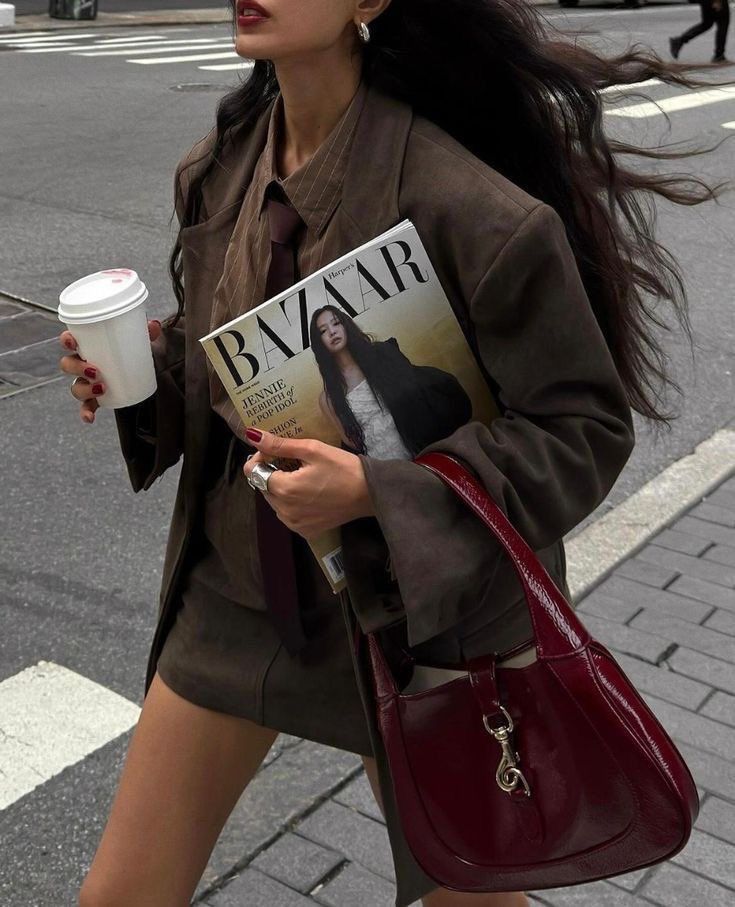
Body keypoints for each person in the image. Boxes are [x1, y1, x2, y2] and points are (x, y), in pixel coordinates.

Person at [58, 2, 714, 905]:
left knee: (468, 899)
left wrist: (377, 489)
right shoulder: (221, 166)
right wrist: (144, 379)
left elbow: (582, 428)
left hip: (418, 621)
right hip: (242, 594)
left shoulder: (472, 208)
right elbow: (227, 369)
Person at [311, 305, 473, 459]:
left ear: (346, 326)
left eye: (336, 323)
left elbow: (413, 391)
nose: (332, 332)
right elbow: (351, 442)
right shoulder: (328, 398)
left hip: (419, 444)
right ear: (319, 342)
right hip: (382, 463)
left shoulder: (380, 356)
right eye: (323, 331)